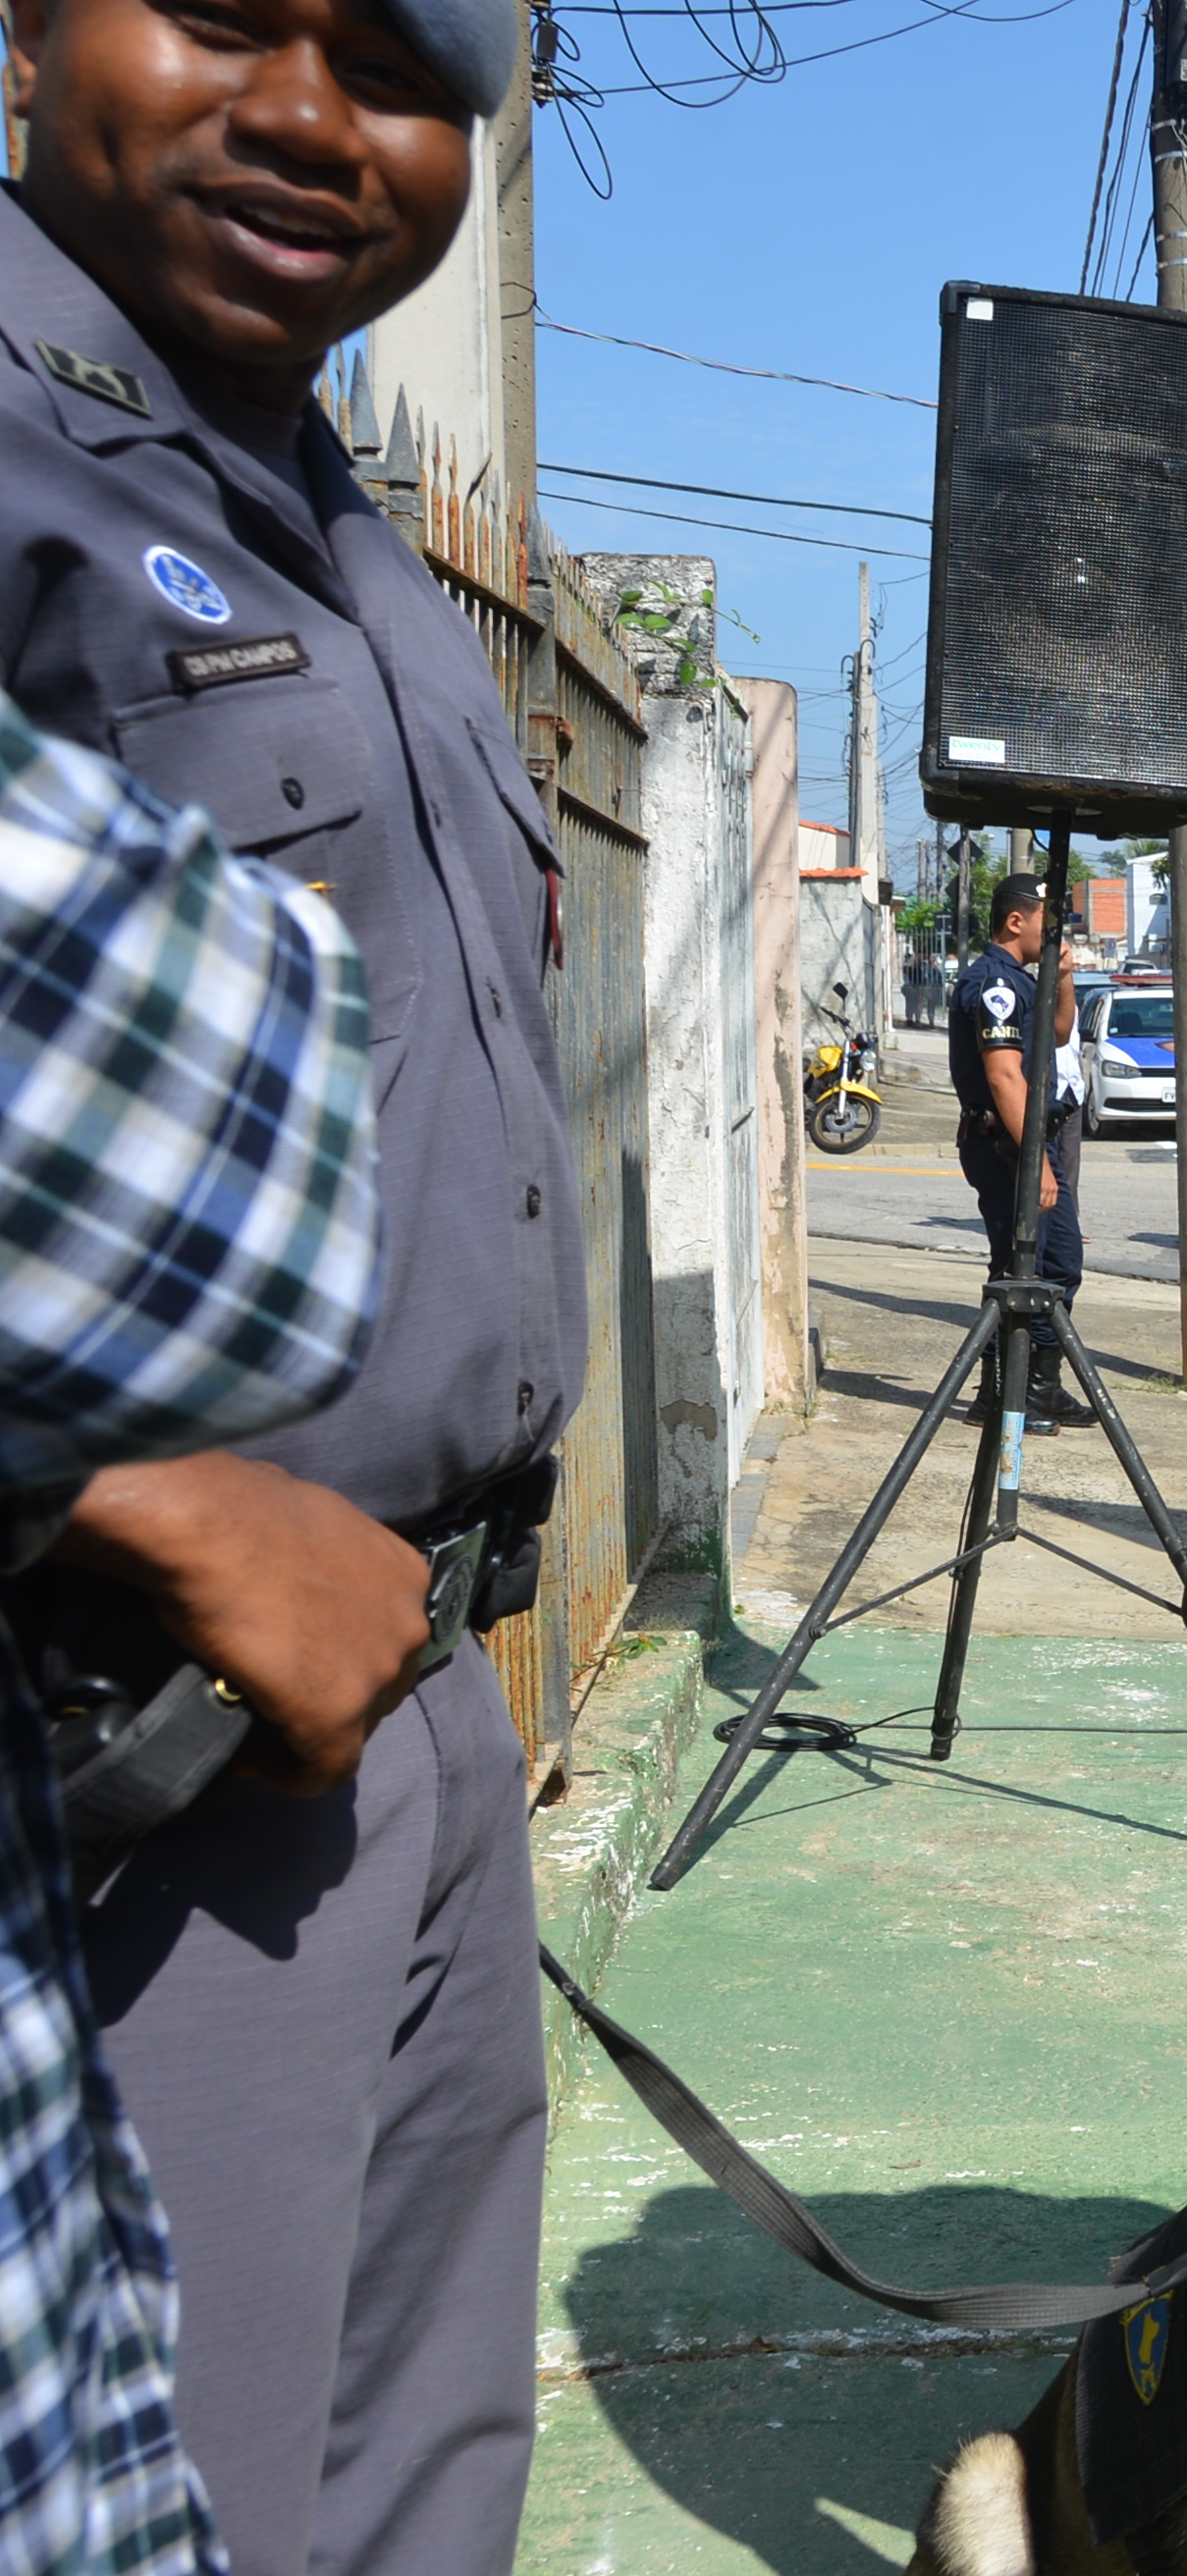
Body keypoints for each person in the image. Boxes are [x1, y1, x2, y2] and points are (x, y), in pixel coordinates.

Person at [0, 0, 586, 2557]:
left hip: (411, 1693)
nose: (314, 123)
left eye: (402, 66)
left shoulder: (323, 506)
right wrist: (146, 1504)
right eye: (227, 11)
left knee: (418, 2492)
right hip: (120, 1740)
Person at [0, 691, 386, 2576]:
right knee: (249, 2416)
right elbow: (235, 1223)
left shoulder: (377, 582)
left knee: (413, 2437)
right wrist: (153, 1499)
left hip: (405, 1636)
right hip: (172, 1685)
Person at [948, 875, 1092, 1430]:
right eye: (1049, 922)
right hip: (1007, 1148)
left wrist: (1065, 976)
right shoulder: (994, 984)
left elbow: (1057, 1032)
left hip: (1030, 1142)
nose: (1057, 932)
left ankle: (1040, 1386)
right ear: (1016, 921)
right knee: (1019, 1268)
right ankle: (1001, 1395)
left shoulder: (1021, 982)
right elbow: (1005, 1076)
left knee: (1057, 1263)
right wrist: (1037, 1163)